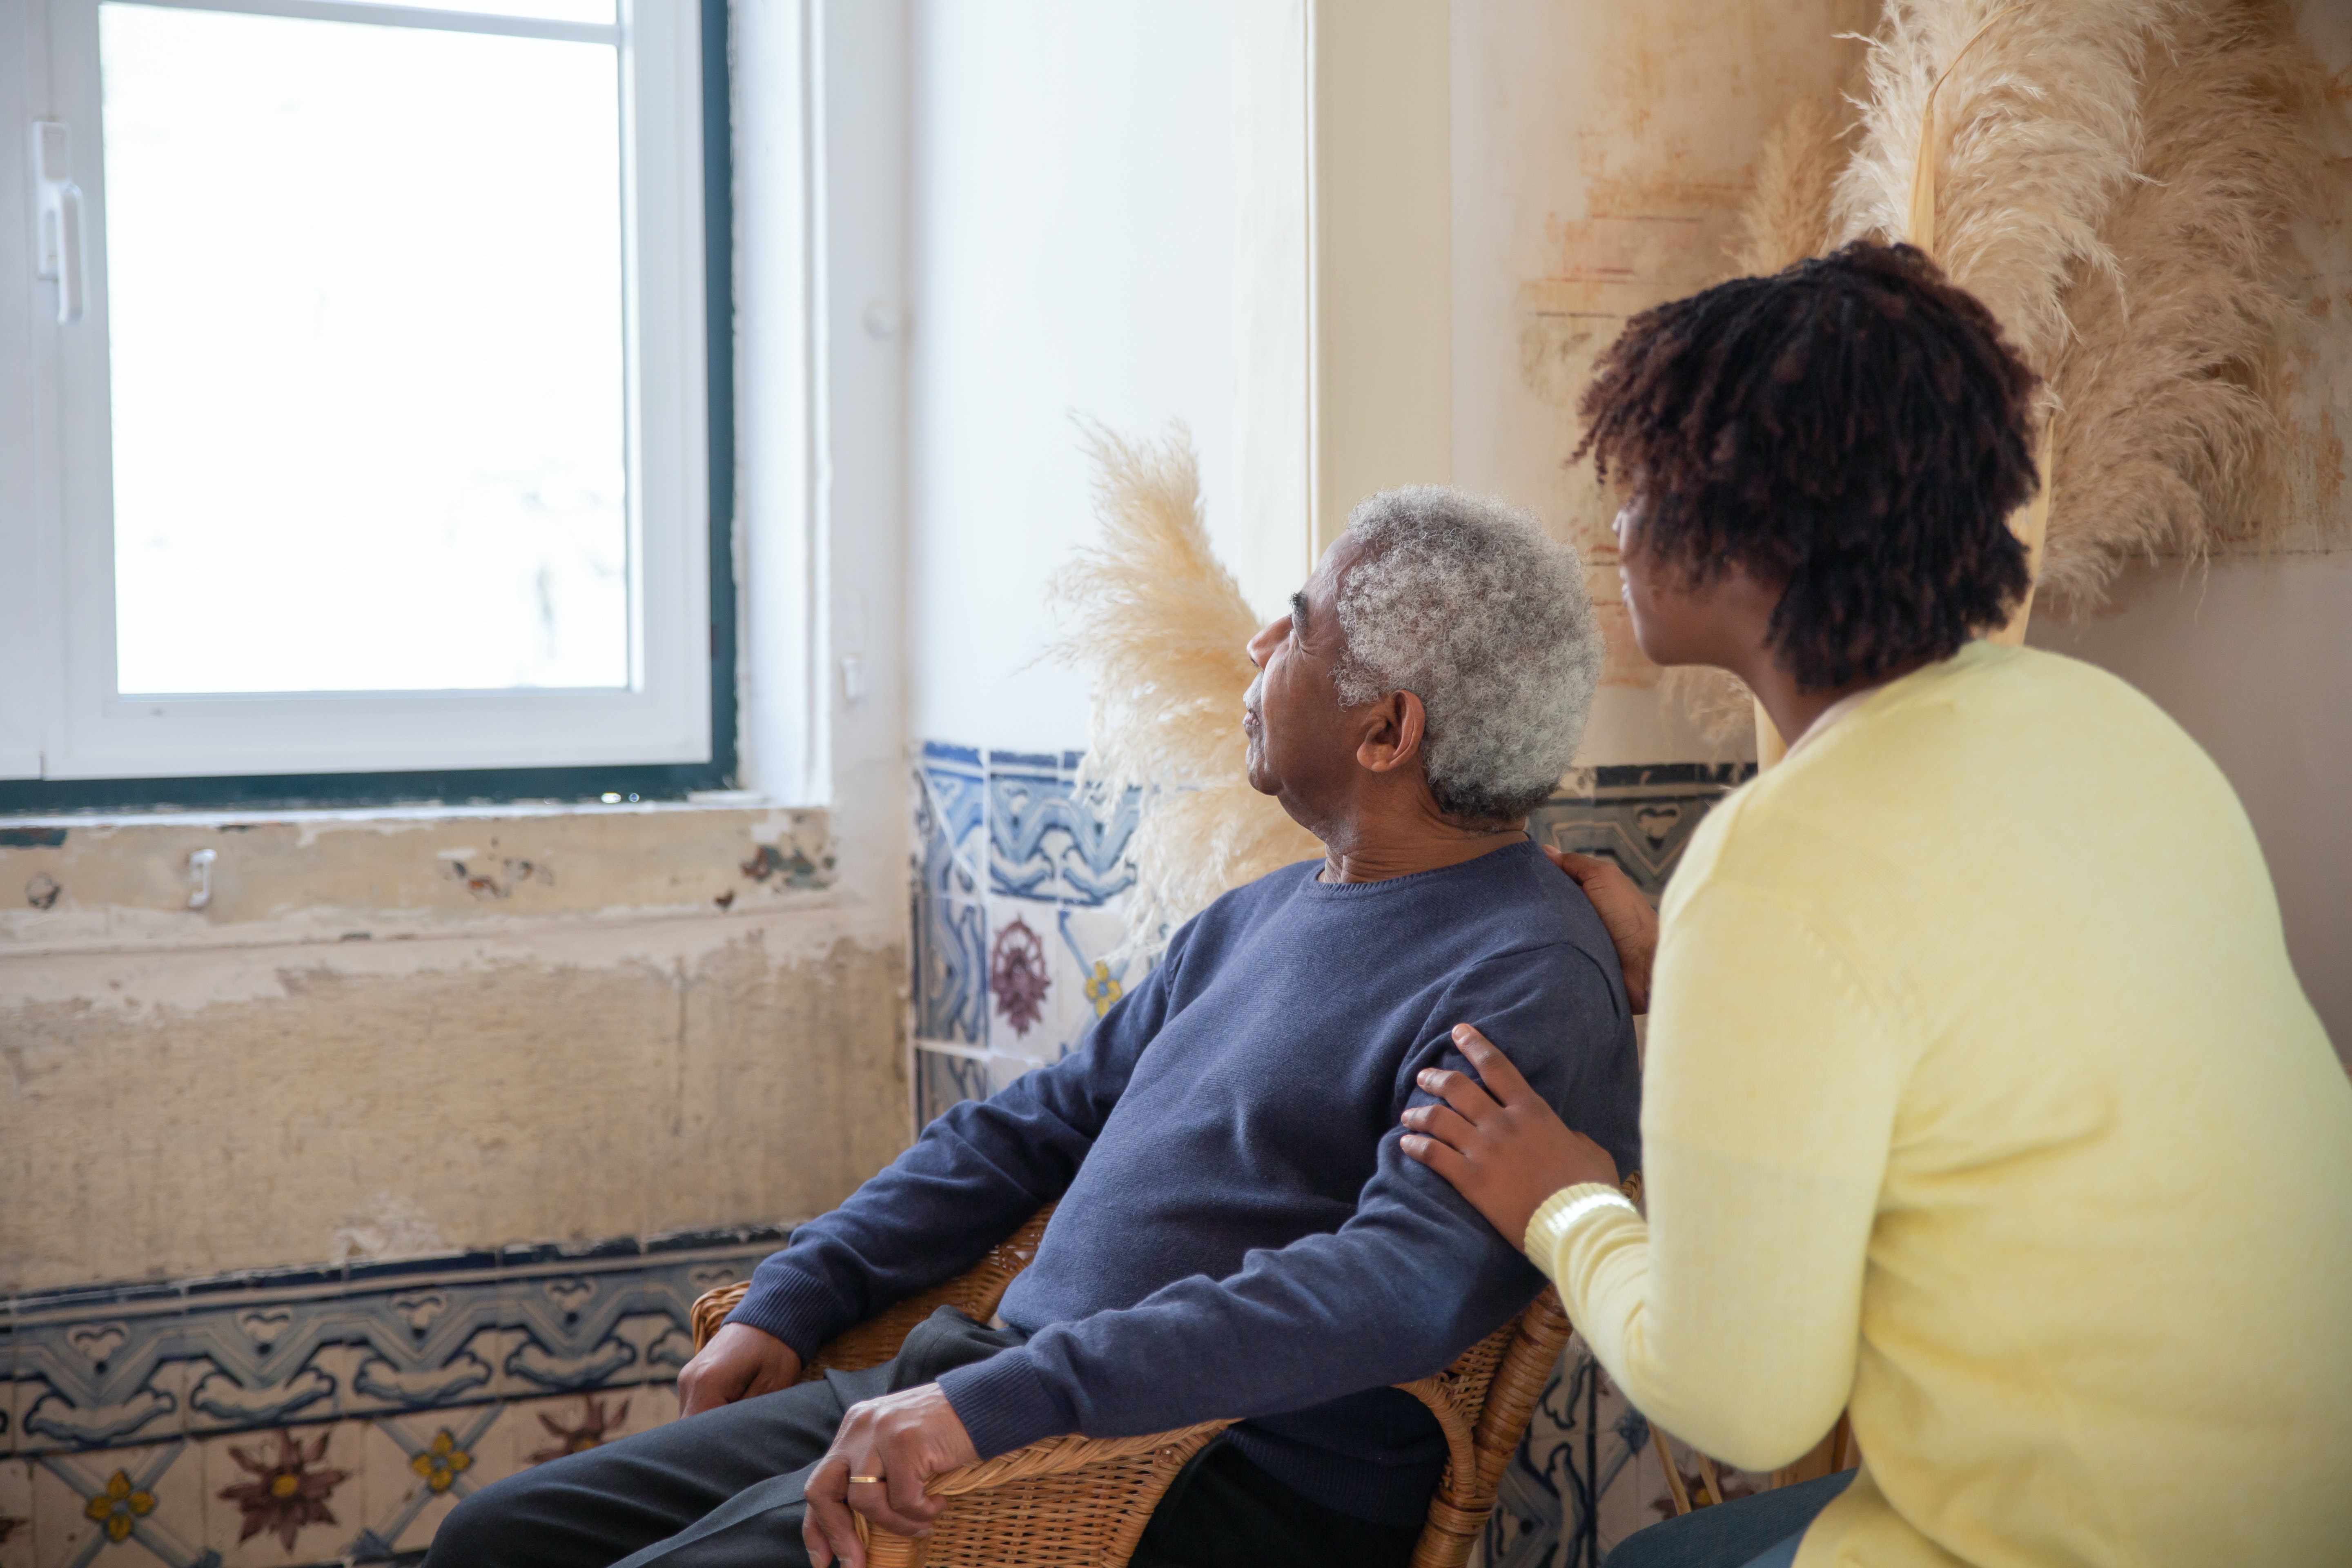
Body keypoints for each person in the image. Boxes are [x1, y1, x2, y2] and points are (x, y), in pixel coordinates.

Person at [425, 487, 1642, 1568]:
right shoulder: (1260, 914)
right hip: (1000, 1385)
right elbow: (1037, 1124)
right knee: (499, 1539)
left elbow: (1391, 1287)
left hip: (1190, 1476)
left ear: (1388, 733)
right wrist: (801, 1289)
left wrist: (1005, 1404)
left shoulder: (1525, 977)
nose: (1262, 643)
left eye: (1299, 624)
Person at [1401, 242, 2352, 1568]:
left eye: (1646, 474)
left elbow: (1746, 1403)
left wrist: (1568, 1200)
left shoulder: (1782, 859)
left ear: (1757, 526)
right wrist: (1699, 978)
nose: (1617, 521)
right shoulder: (2115, 730)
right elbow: (1972, 1041)